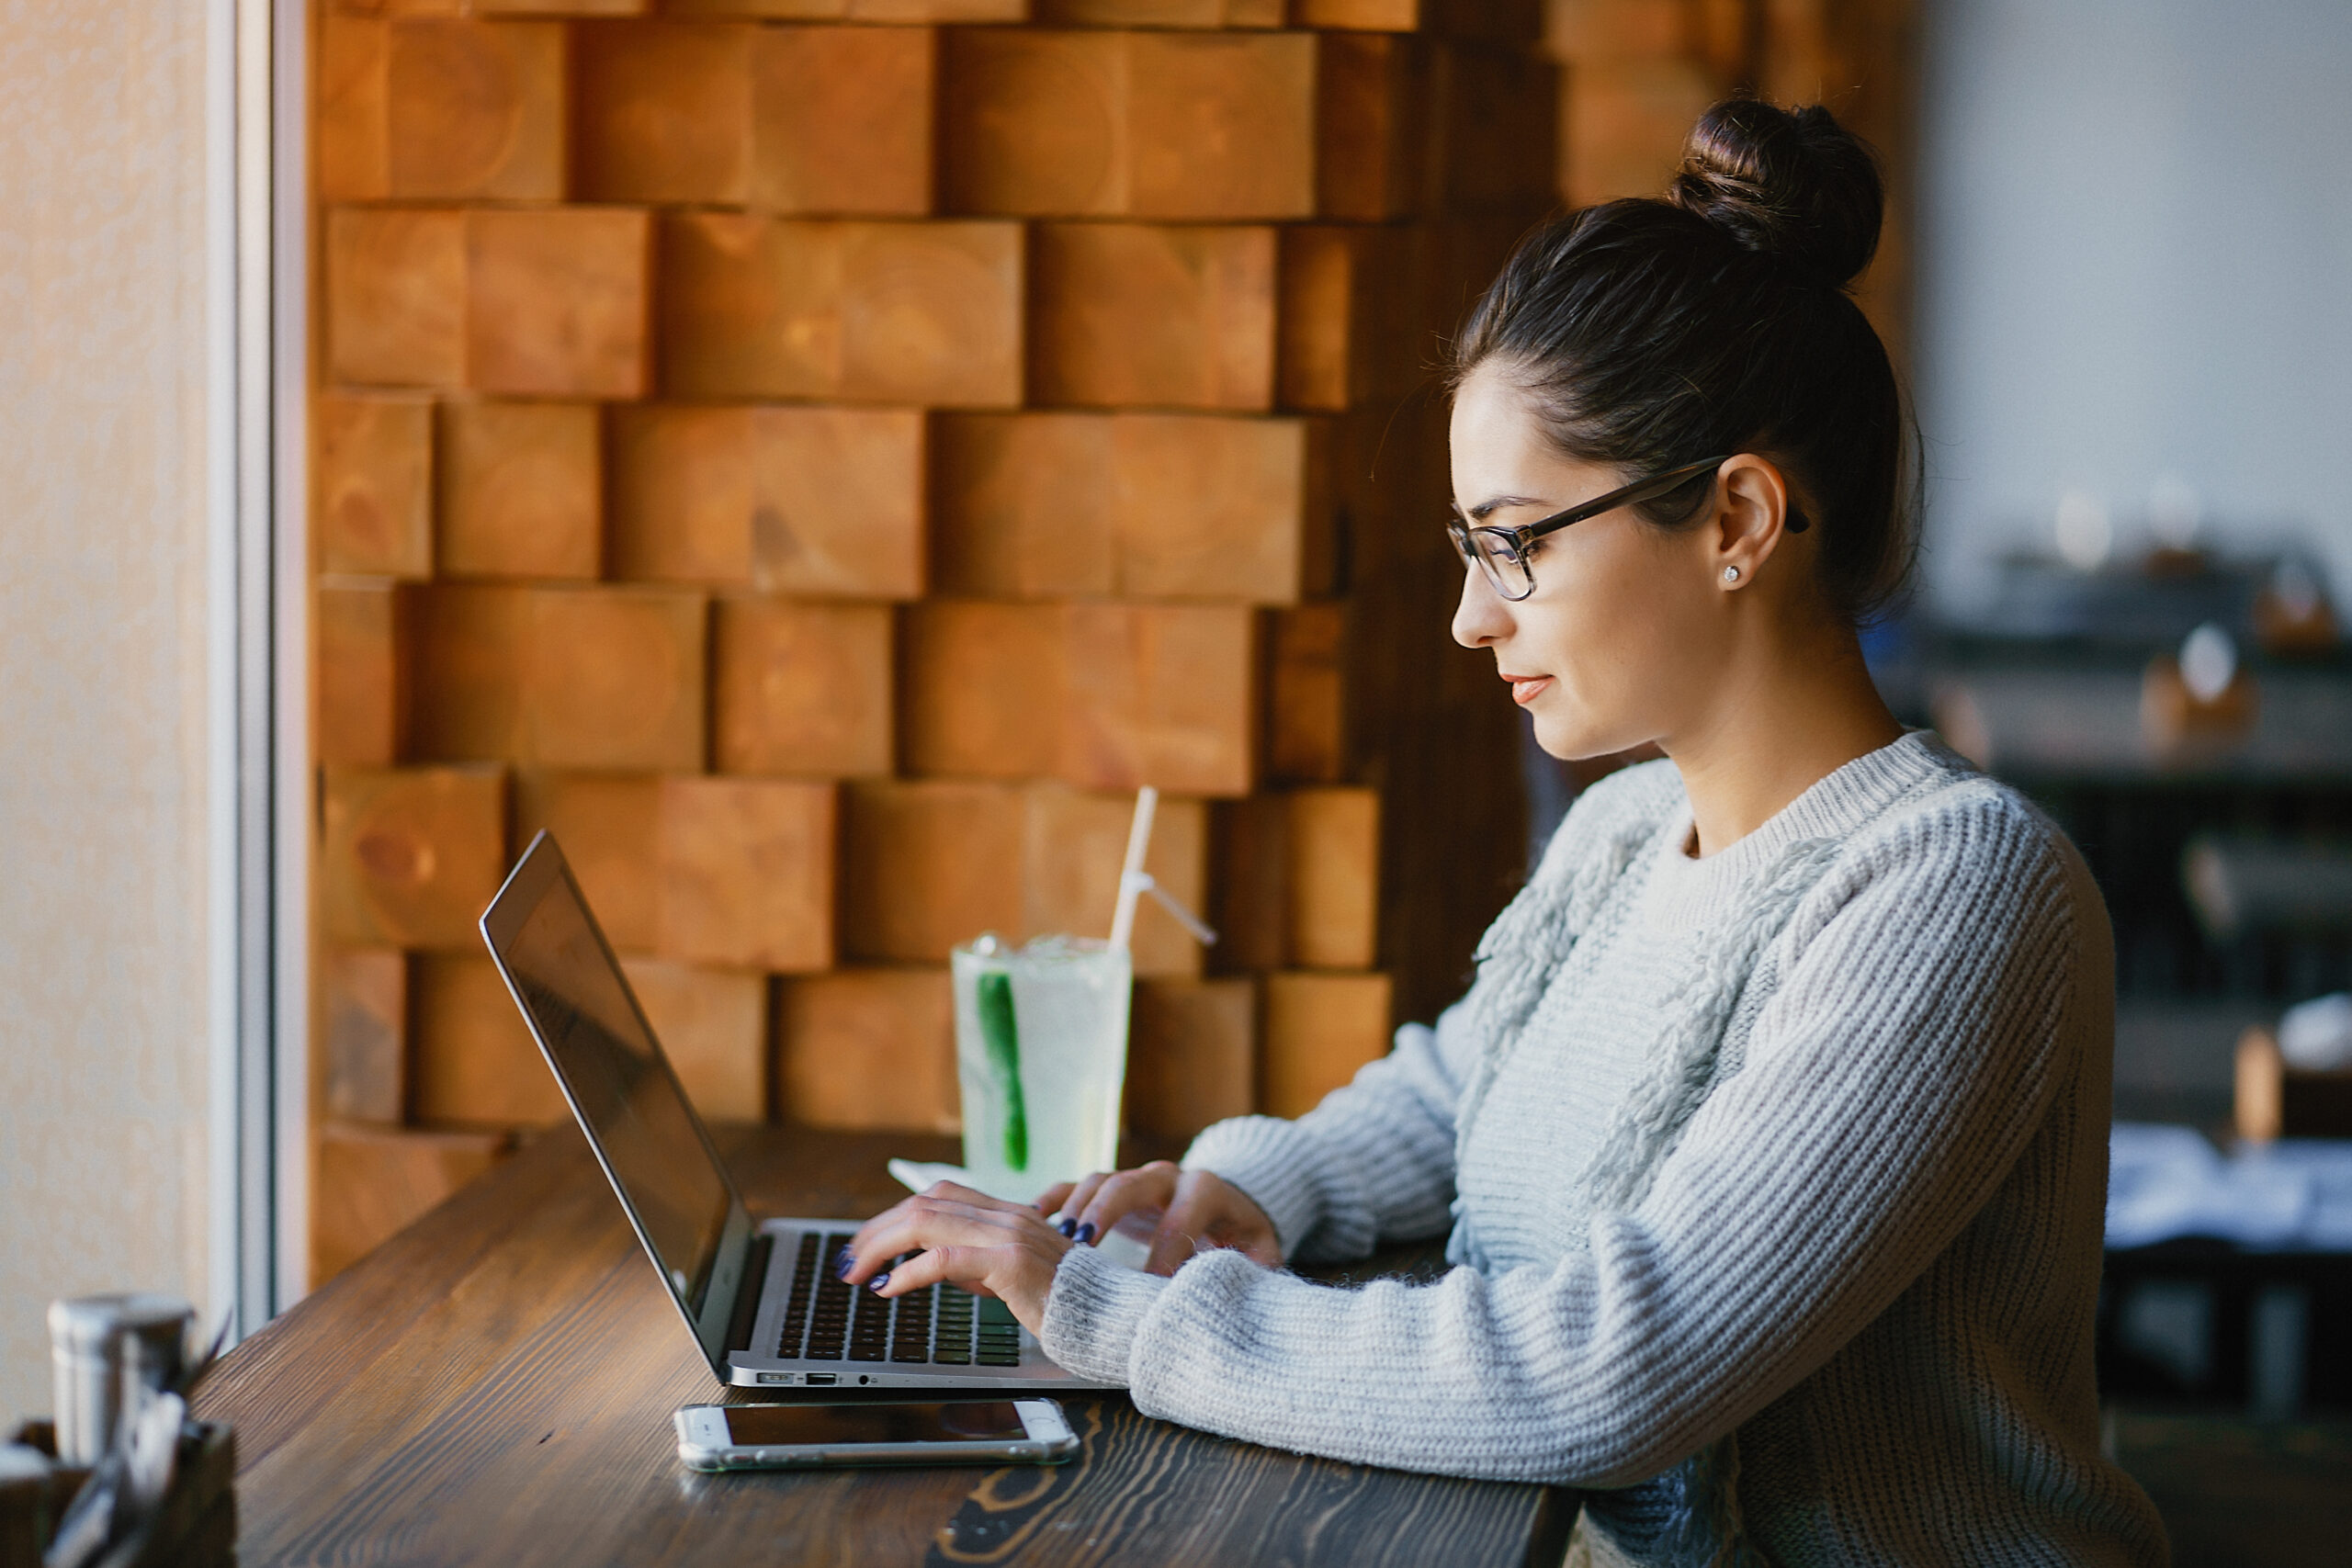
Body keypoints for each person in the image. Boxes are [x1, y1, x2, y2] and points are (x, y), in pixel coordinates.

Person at [841, 98, 2167, 1566]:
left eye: (1515, 544)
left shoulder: (1959, 895)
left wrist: (1118, 1312)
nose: (1475, 618)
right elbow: (1462, 1085)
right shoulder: (1628, 830)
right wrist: (1255, 1191)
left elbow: (1611, 1372)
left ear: (1736, 519)